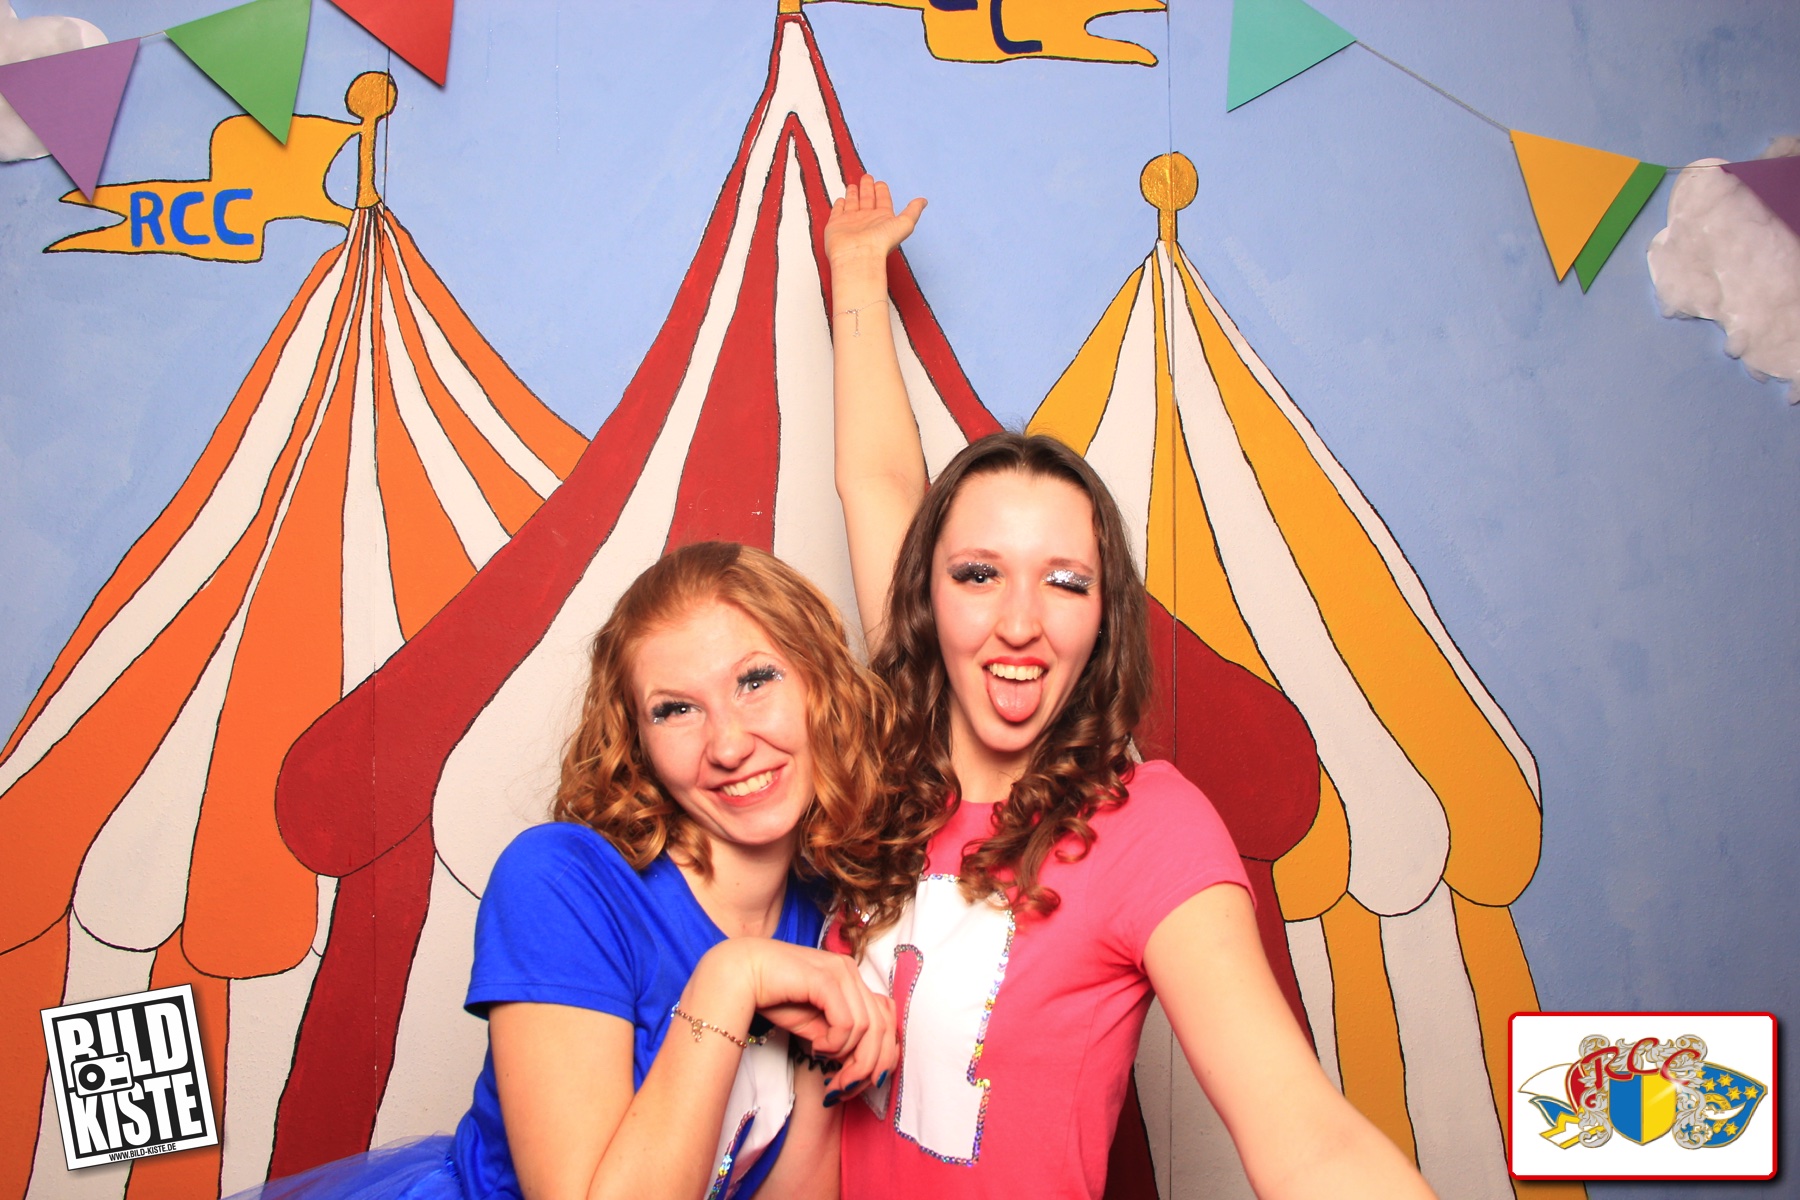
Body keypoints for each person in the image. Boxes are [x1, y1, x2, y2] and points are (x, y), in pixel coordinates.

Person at [822, 176, 1434, 1199]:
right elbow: (880, 481)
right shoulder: (887, 761)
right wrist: (855, 273)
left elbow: (1301, 1129)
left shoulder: (1146, 826)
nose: (1019, 620)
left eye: (1065, 582)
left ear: (1104, 619)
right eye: (979, 574)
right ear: (927, 599)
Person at [242, 541, 897, 1200]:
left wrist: (824, 1067)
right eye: (675, 709)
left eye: (755, 681)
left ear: (822, 684)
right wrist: (733, 975)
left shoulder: (828, 907)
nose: (728, 744)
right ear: (636, 742)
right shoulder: (559, 882)